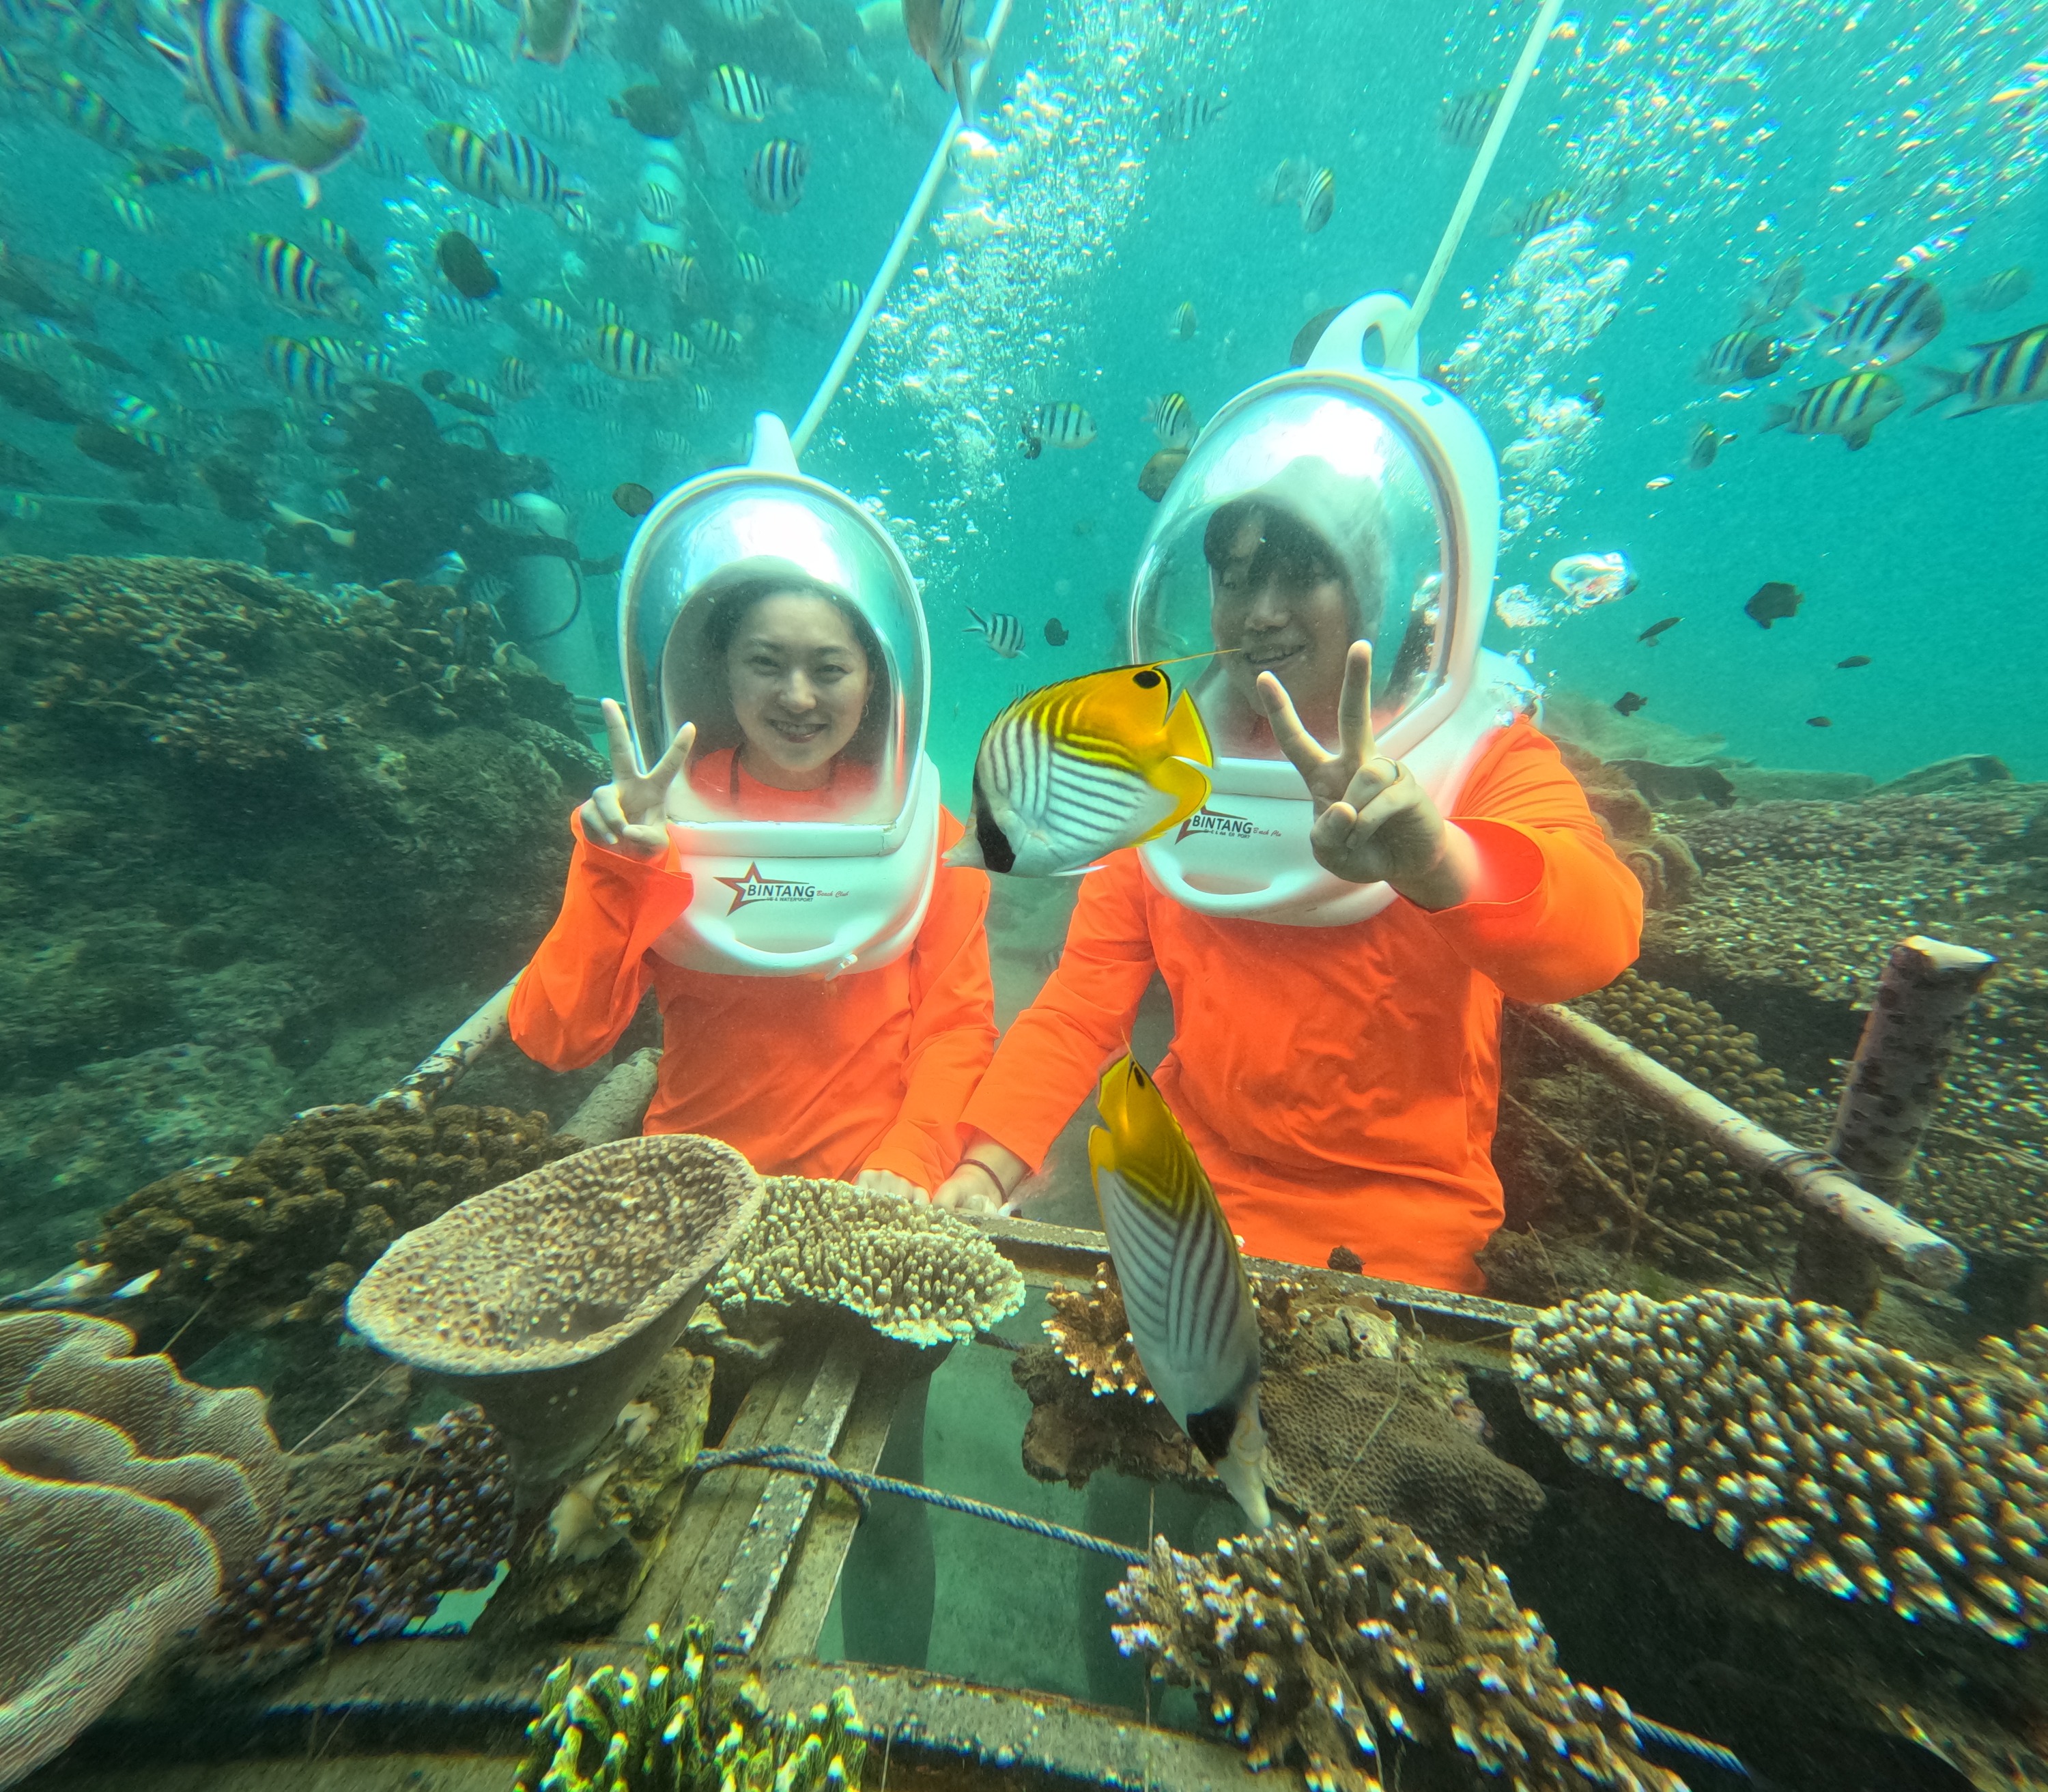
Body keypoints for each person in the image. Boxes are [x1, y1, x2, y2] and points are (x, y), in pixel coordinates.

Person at [933, 440, 1642, 1295]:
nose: (1261, 612)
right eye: (1235, 579)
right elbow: (1083, 1003)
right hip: (1178, 1198)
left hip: (1406, 1233)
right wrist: (988, 1166)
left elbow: (1597, 943)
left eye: (1304, 574)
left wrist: (1439, 859)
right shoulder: (1164, 768)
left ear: (1371, 592)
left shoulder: (1472, 755)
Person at [511, 575, 995, 1199]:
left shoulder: (925, 829)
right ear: (724, 672)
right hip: (689, 1185)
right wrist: (613, 867)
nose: (797, 697)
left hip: (871, 1191)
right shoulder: (651, 820)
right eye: (765, 663)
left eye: (830, 669)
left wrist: (910, 1158)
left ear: (874, 679)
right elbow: (557, 1038)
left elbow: (955, 1026)